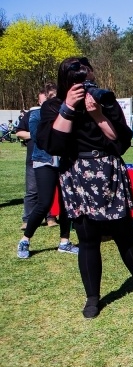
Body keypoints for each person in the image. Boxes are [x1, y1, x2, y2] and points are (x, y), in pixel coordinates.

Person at [37, 56, 133, 319]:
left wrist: (98, 114)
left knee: (123, 234)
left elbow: (121, 141)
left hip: (107, 171)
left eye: (86, 74)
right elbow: (54, 145)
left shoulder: (104, 99)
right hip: (76, 175)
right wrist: (68, 107)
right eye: (76, 75)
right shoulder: (53, 106)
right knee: (88, 240)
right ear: (65, 79)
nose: (83, 79)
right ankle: (92, 297)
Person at [17, 83, 79, 259]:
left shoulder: (68, 114)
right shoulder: (36, 114)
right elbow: (38, 136)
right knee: (44, 203)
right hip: (44, 161)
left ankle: (64, 242)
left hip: (65, 162)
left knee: (66, 203)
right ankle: (25, 240)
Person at [16, 97, 57, 231]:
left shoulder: (56, 113)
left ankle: (51, 217)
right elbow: (19, 133)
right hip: (34, 157)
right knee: (32, 190)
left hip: (53, 157)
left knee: (52, 190)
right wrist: (36, 134)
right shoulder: (31, 115)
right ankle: (27, 219)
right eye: (43, 100)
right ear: (39, 102)